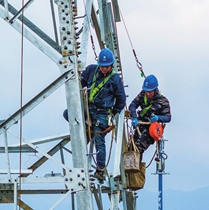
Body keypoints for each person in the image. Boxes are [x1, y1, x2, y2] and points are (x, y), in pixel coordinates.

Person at [65, 48, 126, 180]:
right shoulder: (91, 71)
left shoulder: (115, 80)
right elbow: (80, 81)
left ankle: (100, 170)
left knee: (99, 138)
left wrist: (113, 113)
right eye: (103, 66)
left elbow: (121, 100)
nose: (104, 69)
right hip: (89, 109)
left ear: (111, 65)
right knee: (68, 114)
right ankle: (86, 133)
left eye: (107, 66)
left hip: (102, 113)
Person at [129, 74, 171, 155]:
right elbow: (133, 105)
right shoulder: (142, 95)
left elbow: (168, 118)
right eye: (146, 91)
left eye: (150, 91)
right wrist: (134, 117)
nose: (147, 93)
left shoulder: (163, 101)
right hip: (140, 125)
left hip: (151, 129)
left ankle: (135, 166)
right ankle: (134, 166)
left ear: (155, 90)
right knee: (131, 147)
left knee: (138, 148)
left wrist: (158, 118)